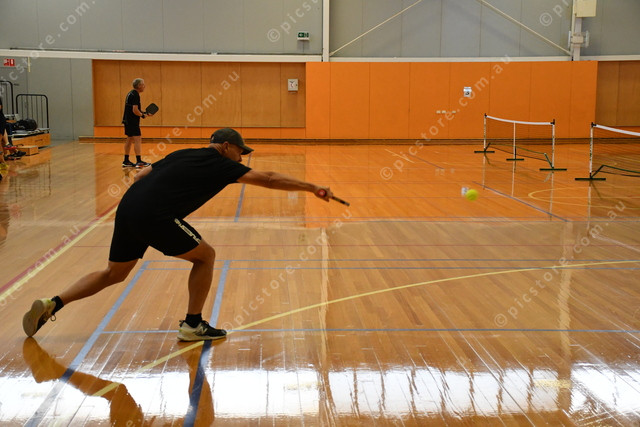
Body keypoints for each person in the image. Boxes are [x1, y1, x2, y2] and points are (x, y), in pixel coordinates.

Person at [23, 128, 334, 341]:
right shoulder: (221, 164)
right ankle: (193, 324)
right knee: (206, 256)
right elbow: (269, 179)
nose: (242, 159)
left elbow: (140, 174)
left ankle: (53, 303)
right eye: (241, 152)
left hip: (128, 207)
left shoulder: (183, 153)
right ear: (226, 146)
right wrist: (311, 187)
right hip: (153, 215)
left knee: (114, 273)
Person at [122, 78, 153, 168]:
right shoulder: (135, 95)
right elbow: (135, 110)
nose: (144, 86)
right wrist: (142, 115)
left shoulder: (131, 93)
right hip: (132, 121)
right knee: (137, 139)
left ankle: (126, 161)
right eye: (143, 84)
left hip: (127, 120)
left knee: (129, 139)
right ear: (139, 86)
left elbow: (135, 109)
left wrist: (144, 113)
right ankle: (139, 161)